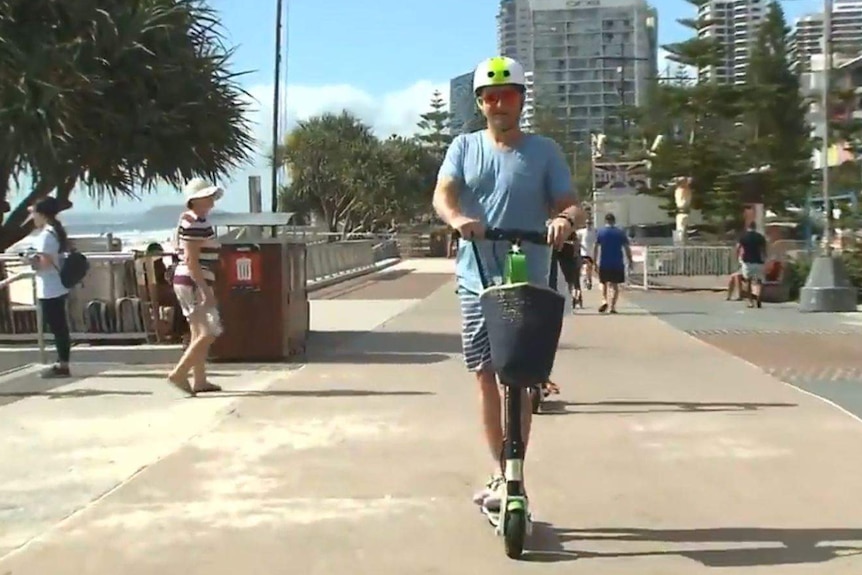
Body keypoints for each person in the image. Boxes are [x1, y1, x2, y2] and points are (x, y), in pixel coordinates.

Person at [431, 56, 582, 514]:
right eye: (490, 97)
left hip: (527, 280)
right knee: (486, 377)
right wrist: (458, 219)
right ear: (480, 103)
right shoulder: (463, 146)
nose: (499, 104)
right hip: (477, 278)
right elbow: (443, 193)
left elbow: (573, 206)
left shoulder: (544, 152)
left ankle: (513, 473)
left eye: (508, 96)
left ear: (520, 101)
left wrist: (562, 221)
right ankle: (500, 471)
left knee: (519, 379)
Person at [167, 178, 225, 395]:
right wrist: (205, 289)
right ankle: (180, 373)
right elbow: (192, 260)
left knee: (197, 332)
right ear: (197, 200)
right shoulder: (195, 223)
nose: (212, 201)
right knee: (210, 331)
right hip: (193, 281)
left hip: (186, 280)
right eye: (208, 197)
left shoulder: (190, 220)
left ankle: (199, 380)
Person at [25, 197, 73, 378]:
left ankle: (62, 365)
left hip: (50, 287)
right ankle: (63, 362)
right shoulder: (55, 232)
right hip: (57, 285)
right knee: (59, 326)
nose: (33, 217)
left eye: (34, 213)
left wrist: (30, 260)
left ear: (41, 214)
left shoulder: (46, 235)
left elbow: (44, 262)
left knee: (56, 326)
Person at [593, 212, 632, 314]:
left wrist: (594, 261)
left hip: (604, 262)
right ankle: (612, 307)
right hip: (617, 263)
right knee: (615, 286)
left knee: (604, 283)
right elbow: (627, 248)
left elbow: (596, 247)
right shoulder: (620, 232)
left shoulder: (600, 232)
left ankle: (604, 300)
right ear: (614, 221)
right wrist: (630, 260)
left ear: (605, 221)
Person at [737, 220, 767, 308]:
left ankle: (750, 301)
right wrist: (764, 257)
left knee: (748, 281)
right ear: (755, 227)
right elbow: (764, 249)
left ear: (748, 227)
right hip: (758, 261)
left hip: (747, 261)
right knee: (760, 281)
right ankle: (759, 297)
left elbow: (738, 247)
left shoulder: (744, 236)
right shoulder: (760, 237)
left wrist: (738, 256)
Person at [577, 220, 597, 289]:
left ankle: (588, 279)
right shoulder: (581, 232)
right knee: (586, 267)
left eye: (590, 223)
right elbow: (577, 240)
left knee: (590, 268)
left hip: (592, 253)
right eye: (587, 223)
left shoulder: (594, 232)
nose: (588, 224)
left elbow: (596, 242)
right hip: (584, 253)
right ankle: (588, 280)